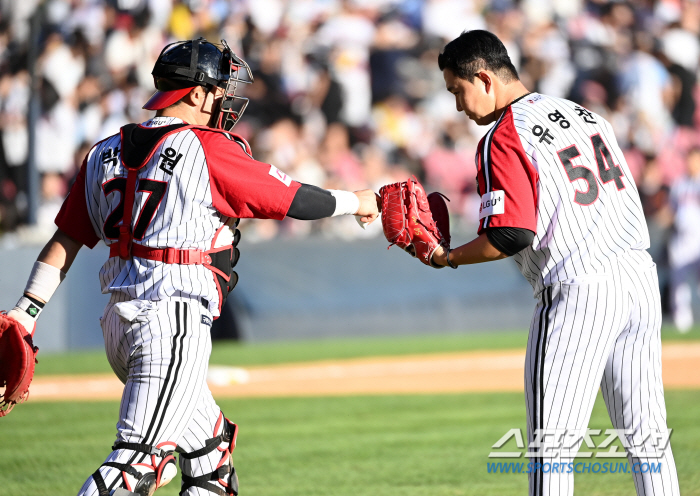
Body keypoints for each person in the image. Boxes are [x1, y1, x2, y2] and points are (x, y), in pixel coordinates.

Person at [5, 38, 379, 496]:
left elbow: (66, 239)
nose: (225, 98)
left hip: (118, 325)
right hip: (172, 317)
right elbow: (292, 199)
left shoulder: (103, 151)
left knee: (210, 458)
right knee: (136, 464)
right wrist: (356, 200)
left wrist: (26, 312)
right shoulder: (209, 147)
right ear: (197, 94)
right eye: (219, 89)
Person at [429, 30, 679, 496]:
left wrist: (448, 258)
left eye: (457, 91)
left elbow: (510, 233)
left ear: (483, 78)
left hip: (579, 284)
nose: (459, 107)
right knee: (647, 435)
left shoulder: (503, 136)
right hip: (639, 277)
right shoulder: (586, 115)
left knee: (552, 446)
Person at [668, 147, 700, 332]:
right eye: (690, 159)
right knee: (678, 285)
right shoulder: (679, 183)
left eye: (696, 159)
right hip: (682, 239)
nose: (692, 163)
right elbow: (672, 211)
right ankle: (682, 325)